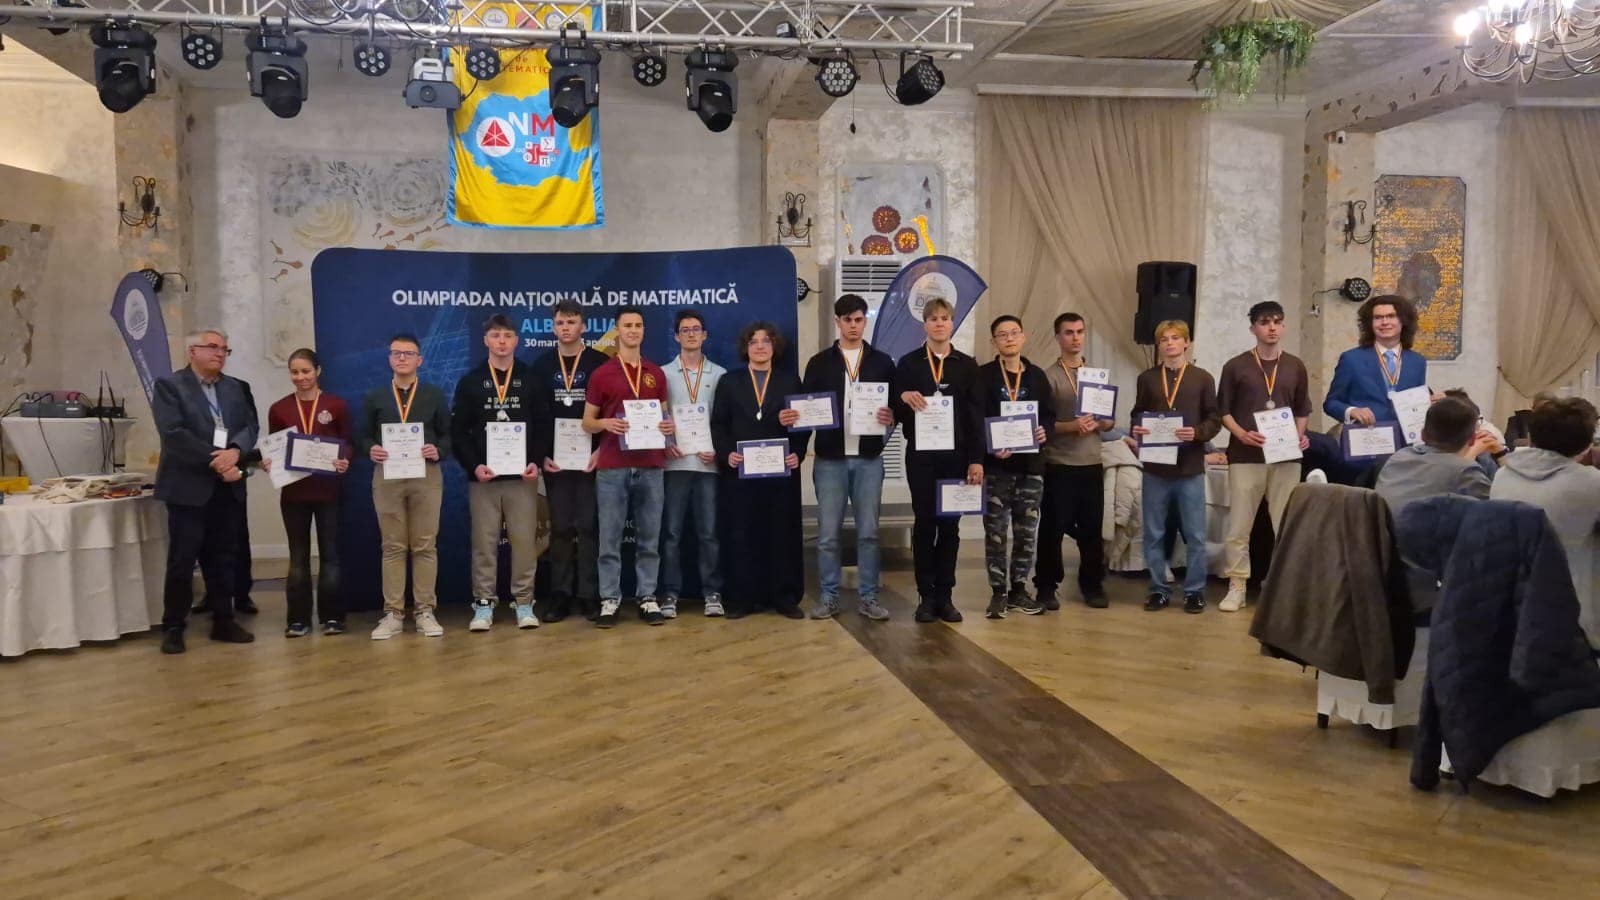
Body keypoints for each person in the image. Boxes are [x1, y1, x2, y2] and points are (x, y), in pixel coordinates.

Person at [149, 328, 260, 654]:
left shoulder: (235, 387)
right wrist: (218, 460)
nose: (220, 353)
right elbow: (173, 433)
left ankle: (223, 621)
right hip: (188, 487)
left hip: (227, 488)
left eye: (225, 349)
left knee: (223, 557)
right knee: (182, 560)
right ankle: (174, 626)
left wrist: (235, 452)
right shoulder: (170, 386)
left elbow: (249, 426)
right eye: (212, 347)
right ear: (192, 352)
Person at [803, 294, 897, 622]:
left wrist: (892, 416)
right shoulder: (819, 362)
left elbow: (895, 406)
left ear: (864, 321)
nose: (853, 326)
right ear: (837, 322)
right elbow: (806, 406)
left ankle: (868, 597)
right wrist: (797, 444)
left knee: (869, 532)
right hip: (830, 459)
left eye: (858, 319)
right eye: (847, 320)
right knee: (828, 535)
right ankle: (829, 597)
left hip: (869, 459)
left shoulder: (882, 362)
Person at [451, 314, 548, 633]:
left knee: (524, 542)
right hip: (485, 477)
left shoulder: (531, 379)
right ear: (486, 340)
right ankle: (483, 603)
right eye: (496, 335)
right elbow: (459, 432)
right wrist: (474, 466)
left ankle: (524, 601)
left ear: (517, 340)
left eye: (507, 335)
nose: (502, 341)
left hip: (522, 477)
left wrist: (535, 461)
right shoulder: (471, 381)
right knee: (484, 542)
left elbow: (543, 425)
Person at [889, 297, 983, 623]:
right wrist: (902, 397)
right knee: (925, 524)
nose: (940, 323)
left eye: (945, 318)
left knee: (950, 527)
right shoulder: (909, 364)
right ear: (925, 324)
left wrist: (976, 460)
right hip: (921, 457)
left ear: (952, 323)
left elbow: (975, 417)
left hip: (956, 458)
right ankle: (926, 597)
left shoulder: (967, 365)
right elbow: (894, 410)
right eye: (933, 319)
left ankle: (946, 596)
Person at [1214, 302, 1311, 613]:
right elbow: (1223, 411)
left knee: (1285, 524)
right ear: (1253, 327)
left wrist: (1299, 435)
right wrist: (1241, 434)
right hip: (1246, 455)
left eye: (1277, 322)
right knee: (1239, 526)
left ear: (1283, 326)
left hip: (1285, 457)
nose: (1272, 327)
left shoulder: (1295, 365)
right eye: (1265, 322)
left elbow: (1302, 409)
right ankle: (1237, 585)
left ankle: (1284, 586)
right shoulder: (1236, 366)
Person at [582, 306, 674, 629]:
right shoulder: (601, 374)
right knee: (609, 538)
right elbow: (587, 422)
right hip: (612, 466)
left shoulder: (656, 373)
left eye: (638, 325)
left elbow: (664, 417)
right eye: (627, 325)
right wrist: (606, 423)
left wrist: (667, 428)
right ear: (617, 330)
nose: (633, 330)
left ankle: (647, 596)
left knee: (650, 537)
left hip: (651, 465)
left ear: (644, 331)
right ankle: (610, 599)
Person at [710, 321, 808, 619]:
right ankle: (743, 598)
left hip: (781, 474)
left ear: (774, 346)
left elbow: (803, 423)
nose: (760, 346)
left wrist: (798, 452)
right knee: (742, 534)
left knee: (781, 534)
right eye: (754, 341)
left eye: (766, 341)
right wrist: (726, 453)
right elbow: (718, 424)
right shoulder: (730, 381)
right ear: (746, 348)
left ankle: (784, 597)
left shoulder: (790, 381)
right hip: (740, 474)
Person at [1490, 397, 1600, 652]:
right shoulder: (1590, 484)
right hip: (1575, 617)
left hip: (1510, 607)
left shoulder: (1502, 475)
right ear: (1587, 445)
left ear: (1530, 437)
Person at [361, 333, 452, 640]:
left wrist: (438, 449)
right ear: (389, 359)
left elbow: (448, 435)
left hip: (425, 475)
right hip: (387, 475)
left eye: (408, 353)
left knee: (425, 545)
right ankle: (393, 614)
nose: (401, 358)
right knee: (393, 546)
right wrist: (370, 448)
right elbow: (362, 436)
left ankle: (425, 610)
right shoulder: (375, 396)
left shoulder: (433, 395)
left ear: (419, 360)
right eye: (396, 353)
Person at [259, 348, 352, 637]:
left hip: (328, 491)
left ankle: (332, 617)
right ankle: (298, 619)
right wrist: (268, 462)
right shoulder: (279, 408)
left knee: (330, 556)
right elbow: (274, 446)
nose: (300, 377)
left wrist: (344, 459)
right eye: (295, 372)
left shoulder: (336, 405)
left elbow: (348, 442)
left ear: (318, 371)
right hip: (294, 494)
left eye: (306, 371)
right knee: (298, 557)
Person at [1131, 319, 1220, 614]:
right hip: (1156, 468)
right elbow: (1137, 413)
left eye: (1175, 338)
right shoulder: (1147, 378)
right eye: (1164, 339)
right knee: (1154, 532)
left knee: (1195, 534)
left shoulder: (1202, 378)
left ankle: (1194, 591)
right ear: (1158, 346)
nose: (1169, 343)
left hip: (1190, 467)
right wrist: (1137, 427)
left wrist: (1197, 432)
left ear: (1186, 342)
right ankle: (1158, 589)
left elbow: (1214, 418)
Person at [530, 299, 607, 623]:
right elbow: (535, 416)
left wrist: (602, 451)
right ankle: (560, 595)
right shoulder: (541, 365)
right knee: (560, 528)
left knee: (588, 527)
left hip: (592, 459)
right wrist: (542, 455)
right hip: (556, 462)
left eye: (571, 322)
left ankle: (589, 595)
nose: (566, 327)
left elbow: (610, 411)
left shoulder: (600, 363)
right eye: (560, 322)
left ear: (583, 326)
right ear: (553, 327)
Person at [1033, 313, 1115, 610]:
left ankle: (1092, 584)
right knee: (1053, 529)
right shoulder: (1048, 376)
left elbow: (1109, 421)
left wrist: (1101, 424)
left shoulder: (1097, 376)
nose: (1075, 337)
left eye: (1080, 331)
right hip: (1060, 463)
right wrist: (1072, 426)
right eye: (1069, 332)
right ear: (1058, 337)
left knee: (1092, 529)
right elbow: (1042, 424)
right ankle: (1046, 586)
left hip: (1091, 462)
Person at [974, 315, 1054, 619]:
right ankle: (998, 592)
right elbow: (975, 418)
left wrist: (1045, 430)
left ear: (1023, 337)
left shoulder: (1037, 376)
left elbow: (1048, 415)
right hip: (997, 468)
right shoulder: (983, 376)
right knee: (995, 532)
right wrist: (990, 446)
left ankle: (1019, 589)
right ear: (994, 341)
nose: (1009, 338)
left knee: (1026, 533)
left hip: (1031, 467)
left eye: (1014, 333)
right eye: (1002, 334)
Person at [659, 309, 727, 618]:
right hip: (674, 464)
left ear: (704, 335)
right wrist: (667, 443)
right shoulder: (662, 374)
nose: (690, 334)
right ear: (676, 336)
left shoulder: (719, 374)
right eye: (684, 330)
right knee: (672, 533)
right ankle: (670, 593)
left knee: (708, 533)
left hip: (708, 465)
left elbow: (724, 421)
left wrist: (718, 450)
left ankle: (712, 592)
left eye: (695, 329)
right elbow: (658, 417)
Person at [1323, 295, 1430, 482]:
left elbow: (1415, 401)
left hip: (1403, 451)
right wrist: (1351, 411)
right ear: (1369, 323)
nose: (1384, 322)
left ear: (1403, 321)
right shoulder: (1351, 359)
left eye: (1391, 316)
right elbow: (1331, 403)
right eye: (1378, 317)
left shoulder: (1417, 361)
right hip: (1364, 450)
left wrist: (1430, 401)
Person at [1373, 397, 1494, 513]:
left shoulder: (1399, 456)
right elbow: (1498, 512)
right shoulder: (1466, 471)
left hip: (1377, 527)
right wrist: (1499, 454)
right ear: (1472, 439)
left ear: (1422, 434)